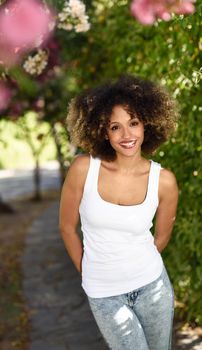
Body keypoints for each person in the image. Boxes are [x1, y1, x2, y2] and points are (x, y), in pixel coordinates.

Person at [59, 74, 179, 350]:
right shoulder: (83, 169)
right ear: (103, 131)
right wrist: (88, 270)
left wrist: (133, 265)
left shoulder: (164, 181)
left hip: (152, 286)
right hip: (104, 293)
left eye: (133, 123)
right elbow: (67, 227)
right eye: (116, 127)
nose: (127, 135)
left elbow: (160, 238)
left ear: (146, 125)